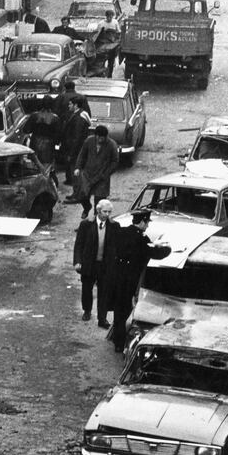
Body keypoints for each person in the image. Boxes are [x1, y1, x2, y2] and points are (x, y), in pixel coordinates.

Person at [110, 210, 171, 353]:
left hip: (117, 278)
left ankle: (116, 339)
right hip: (131, 281)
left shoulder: (122, 232)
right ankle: (121, 343)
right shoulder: (141, 239)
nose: (148, 226)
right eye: (147, 223)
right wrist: (168, 249)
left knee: (118, 310)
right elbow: (156, 254)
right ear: (142, 222)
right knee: (127, 311)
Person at [73, 199, 119, 329]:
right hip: (89, 264)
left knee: (104, 292)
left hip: (105, 265)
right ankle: (87, 310)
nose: (107, 214)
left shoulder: (114, 226)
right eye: (105, 211)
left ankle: (102, 318)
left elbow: (117, 246)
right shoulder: (86, 225)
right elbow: (79, 245)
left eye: (109, 212)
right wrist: (77, 261)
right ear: (98, 211)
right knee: (87, 289)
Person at [74, 125, 119, 220]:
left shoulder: (111, 145)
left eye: (102, 137)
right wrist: (78, 167)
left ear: (106, 136)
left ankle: (95, 222)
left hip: (102, 178)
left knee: (99, 202)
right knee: (82, 195)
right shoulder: (89, 141)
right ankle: (86, 208)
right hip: (88, 174)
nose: (99, 139)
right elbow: (82, 155)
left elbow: (115, 161)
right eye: (97, 136)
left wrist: (107, 173)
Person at [60, 96, 91, 192]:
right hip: (77, 149)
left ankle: (77, 194)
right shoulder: (79, 115)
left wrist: (71, 153)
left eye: (70, 104)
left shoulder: (78, 118)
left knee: (76, 172)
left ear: (76, 105)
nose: (68, 106)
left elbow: (76, 138)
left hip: (76, 150)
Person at [26, 96, 61, 165]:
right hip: (49, 145)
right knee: (46, 166)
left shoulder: (34, 115)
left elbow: (26, 130)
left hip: (35, 143)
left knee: (35, 166)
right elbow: (58, 134)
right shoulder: (55, 118)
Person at [94, 10, 121, 77]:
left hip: (112, 44)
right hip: (103, 44)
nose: (110, 18)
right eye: (108, 17)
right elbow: (97, 34)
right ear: (106, 16)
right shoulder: (101, 23)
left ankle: (110, 75)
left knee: (111, 61)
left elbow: (118, 32)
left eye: (111, 17)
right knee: (101, 60)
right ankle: (101, 73)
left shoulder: (115, 22)